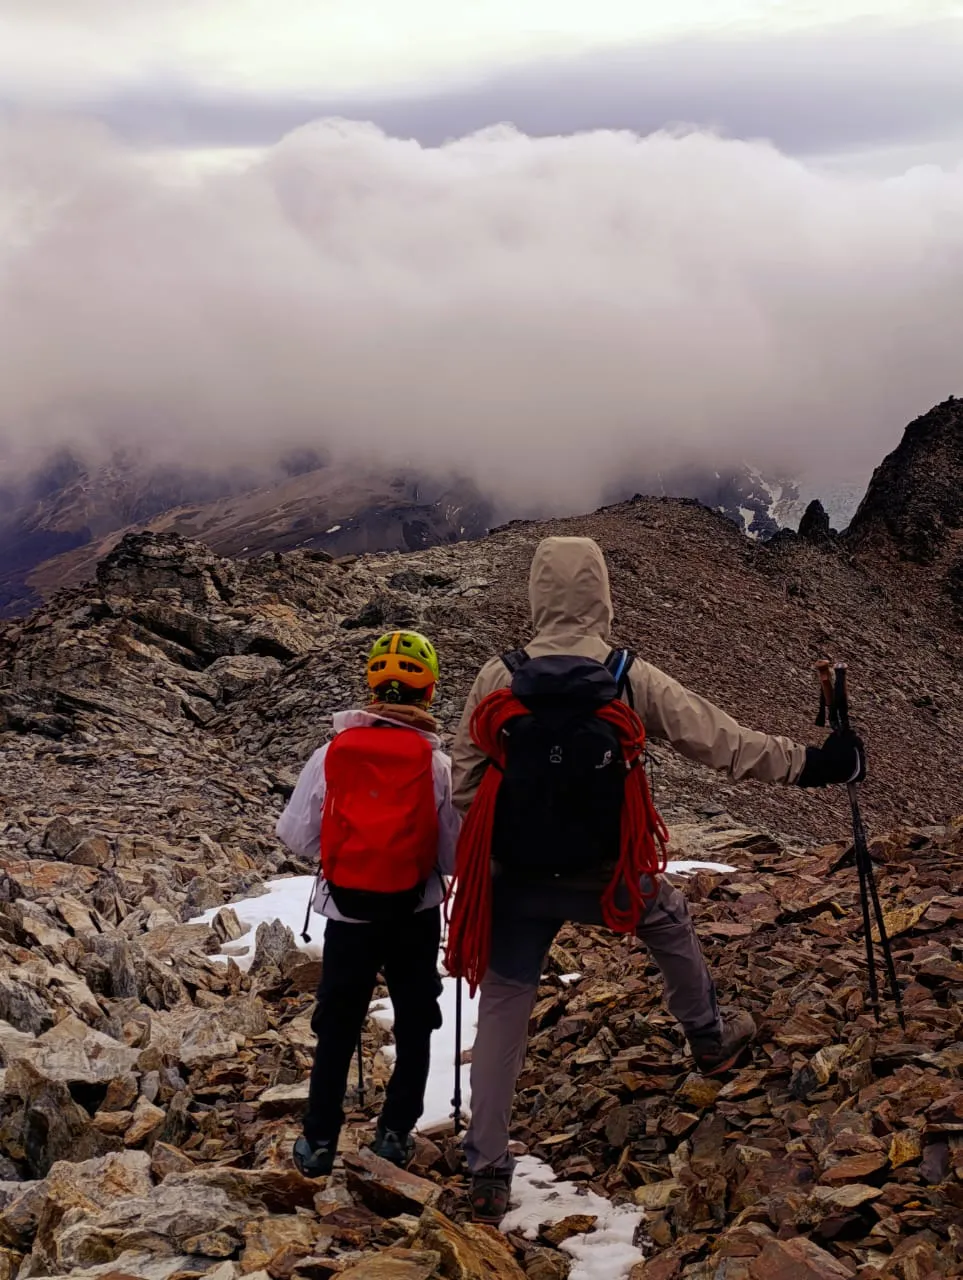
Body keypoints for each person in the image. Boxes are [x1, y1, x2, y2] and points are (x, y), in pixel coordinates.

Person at [450, 536, 865, 1223]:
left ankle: (488, 1168)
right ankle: (706, 1035)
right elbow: (722, 741)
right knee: (665, 915)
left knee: (504, 1001)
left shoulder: (498, 677)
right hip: (607, 868)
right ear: (601, 595)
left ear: (535, 594)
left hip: (515, 875)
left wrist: (514, 830)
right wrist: (816, 764)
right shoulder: (625, 674)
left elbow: (464, 785)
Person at [277, 630, 460, 1177]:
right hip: (414, 912)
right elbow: (450, 854)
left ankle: (318, 1143)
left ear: (372, 686)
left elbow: (296, 834)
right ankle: (394, 1135)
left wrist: (346, 856)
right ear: (427, 694)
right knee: (415, 1020)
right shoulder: (437, 765)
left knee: (337, 1023)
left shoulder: (331, 753)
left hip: (347, 912)